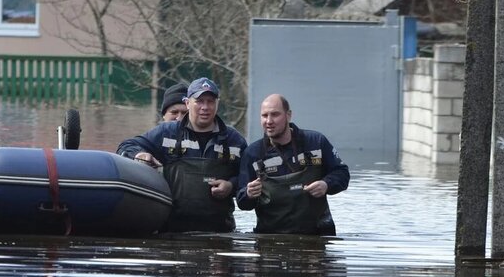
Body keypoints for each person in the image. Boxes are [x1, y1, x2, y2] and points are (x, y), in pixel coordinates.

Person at [117, 77, 247, 233]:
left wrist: (231, 186)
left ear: (217, 104)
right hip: (170, 231)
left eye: (210, 101)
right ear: (187, 103)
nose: (205, 107)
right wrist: (140, 154)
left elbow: (247, 178)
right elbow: (125, 146)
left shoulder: (234, 140)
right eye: (199, 101)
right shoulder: (166, 132)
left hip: (219, 232)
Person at [237, 94, 350, 235]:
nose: (269, 121)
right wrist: (248, 194)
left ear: (288, 115)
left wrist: (326, 184)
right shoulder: (253, 153)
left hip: (317, 237)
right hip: (270, 239)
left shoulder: (316, 142)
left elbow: (342, 174)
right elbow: (242, 202)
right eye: (264, 116)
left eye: (275, 115)